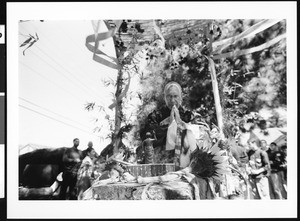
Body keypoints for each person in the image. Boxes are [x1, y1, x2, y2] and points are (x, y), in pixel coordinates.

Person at [140, 81, 198, 170]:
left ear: (181, 97)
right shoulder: (156, 116)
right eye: (169, 96)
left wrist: (180, 123)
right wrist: (168, 126)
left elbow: (200, 133)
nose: (172, 100)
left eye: (175, 96)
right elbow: (147, 135)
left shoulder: (189, 115)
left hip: (187, 164)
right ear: (165, 98)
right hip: (162, 161)